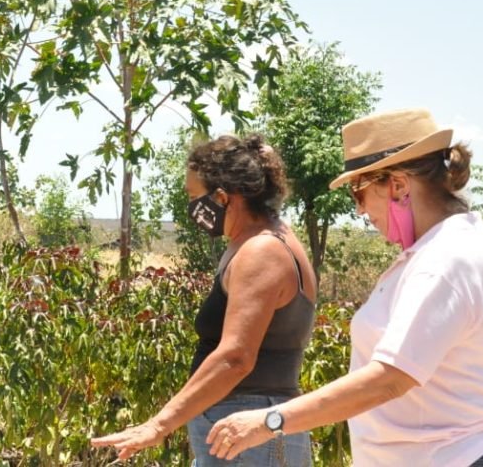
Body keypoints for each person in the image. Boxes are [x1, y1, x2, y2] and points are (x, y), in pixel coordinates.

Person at [204, 109, 483, 467]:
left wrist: (270, 421)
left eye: (359, 192)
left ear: (398, 186)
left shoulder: (444, 261)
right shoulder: (436, 253)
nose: (360, 210)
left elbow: (388, 379)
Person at [92, 133, 317, 465]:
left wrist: (159, 424)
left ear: (223, 198)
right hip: (241, 431)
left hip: (250, 430)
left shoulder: (262, 250)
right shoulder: (256, 242)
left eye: (194, 196)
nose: (192, 207)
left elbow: (236, 358)